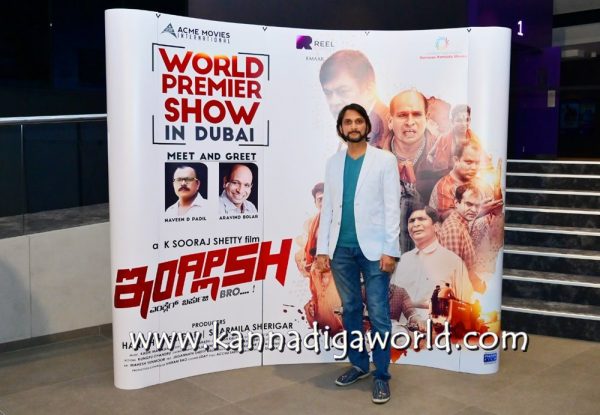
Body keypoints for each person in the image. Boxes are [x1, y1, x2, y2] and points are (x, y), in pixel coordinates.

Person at [316, 103, 400, 404]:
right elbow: (328, 208)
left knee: (378, 313)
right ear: (341, 128)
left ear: (367, 126)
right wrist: (322, 249)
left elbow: (392, 207)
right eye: (348, 122)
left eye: (358, 121)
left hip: (376, 251)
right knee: (351, 308)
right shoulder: (333, 163)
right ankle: (359, 365)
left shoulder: (384, 160)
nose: (353, 126)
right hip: (341, 250)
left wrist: (390, 250)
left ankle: (382, 375)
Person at [379, 89, 445, 252]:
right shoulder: (373, 160)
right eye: (402, 115)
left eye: (416, 114)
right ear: (390, 121)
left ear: (427, 119)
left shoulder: (444, 162)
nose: (410, 122)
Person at [391, 205, 473, 321]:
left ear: (436, 227)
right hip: (401, 329)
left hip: (437, 329)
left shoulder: (453, 262)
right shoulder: (403, 261)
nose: (415, 224)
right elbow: (391, 299)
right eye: (411, 221)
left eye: (421, 219)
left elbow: (467, 304)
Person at [319, 50, 390, 148]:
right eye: (328, 93)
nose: (333, 101)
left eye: (343, 91)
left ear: (369, 90)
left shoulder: (394, 131)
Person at [438, 184, 487, 294]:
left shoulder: (462, 224)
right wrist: (482, 289)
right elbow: (453, 278)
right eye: (469, 204)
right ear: (456, 203)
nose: (474, 210)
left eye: (477, 206)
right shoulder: (454, 230)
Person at [427, 104, 481, 172]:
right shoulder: (443, 138)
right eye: (459, 120)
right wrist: (436, 165)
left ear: (470, 120)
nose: (463, 124)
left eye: (466, 120)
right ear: (452, 121)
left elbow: (482, 162)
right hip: (445, 175)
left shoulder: (475, 140)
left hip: (467, 176)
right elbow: (429, 155)